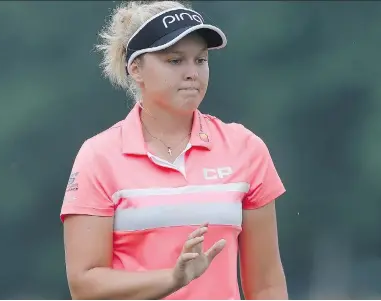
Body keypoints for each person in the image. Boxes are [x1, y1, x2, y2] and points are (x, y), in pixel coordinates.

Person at [61, 1, 288, 299]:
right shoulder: (99, 156)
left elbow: (267, 286)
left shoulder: (246, 148)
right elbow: (84, 286)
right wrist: (172, 279)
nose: (193, 72)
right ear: (136, 69)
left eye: (201, 60)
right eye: (175, 60)